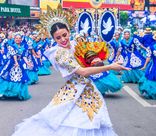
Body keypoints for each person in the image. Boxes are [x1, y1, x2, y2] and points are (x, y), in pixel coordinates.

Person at [12, 5, 129, 136]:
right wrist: (110, 66)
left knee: (92, 123)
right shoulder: (60, 54)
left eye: (64, 35)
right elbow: (83, 72)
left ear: (68, 31)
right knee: (72, 123)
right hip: (73, 90)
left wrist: (96, 59)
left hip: (89, 89)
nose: (63, 39)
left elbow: (89, 59)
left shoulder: (75, 44)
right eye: (58, 38)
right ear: (53, 38)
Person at [0, 34, 31, 100]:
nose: (18, 39)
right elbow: (14, 55)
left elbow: (23, 56)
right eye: (16, 38)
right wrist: (16, 62)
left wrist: (27, 62)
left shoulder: (23, 47)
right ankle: (5, 93)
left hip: (18, 64)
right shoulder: (11, 46)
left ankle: (16, 93)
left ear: (21, 39)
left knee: (18, 78)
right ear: (14, 39)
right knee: (6, 77)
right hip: (10, 63)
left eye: (19, 38)